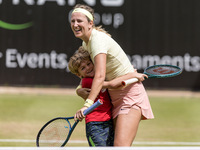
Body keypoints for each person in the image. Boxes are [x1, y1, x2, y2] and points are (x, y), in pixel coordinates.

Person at [70, 4, 154, 146]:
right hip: (113, 99)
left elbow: (100, 75)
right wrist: (79, 89)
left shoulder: (97, 40)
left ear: (90, 23)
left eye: (79, 21)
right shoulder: (86, 45)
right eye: (73, 21)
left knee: (120, 147)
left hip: (129, 96)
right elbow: (90, 75)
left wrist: (87, 105)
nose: (75, 24)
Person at [68, 47, 114, 146]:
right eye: (83, 68)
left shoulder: (97, 77)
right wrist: (133, 76)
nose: (88, 68)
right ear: (78, 75)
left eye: (89, 64)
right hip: (95, 124)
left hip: (108, 121)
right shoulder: (88, 82)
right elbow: (113, 84)